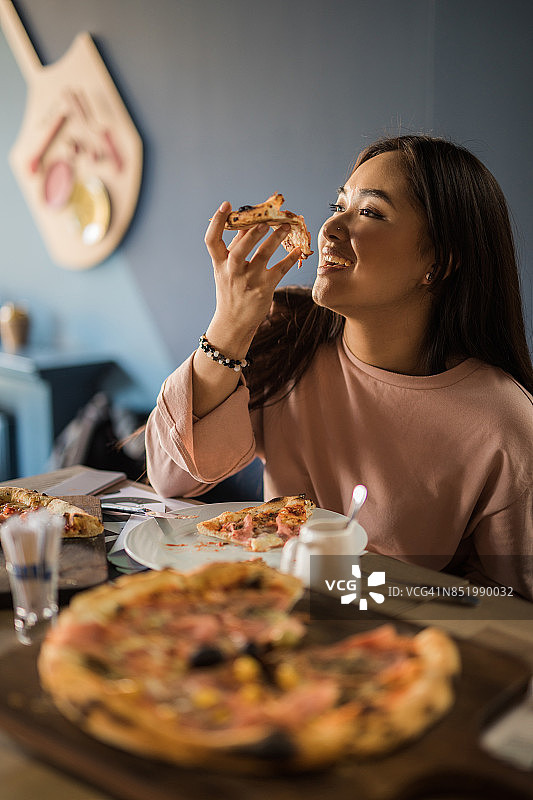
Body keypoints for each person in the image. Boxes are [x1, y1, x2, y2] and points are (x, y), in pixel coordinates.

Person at [146, 135, 533, 599]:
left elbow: (510, 603)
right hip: (255, 618)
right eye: (339, 205)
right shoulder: (288, 339)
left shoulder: (502, 419)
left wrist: (368, 596)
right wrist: (228, 327)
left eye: (369, 212)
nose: (331, 226)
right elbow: (170, 479)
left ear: (437, 263)